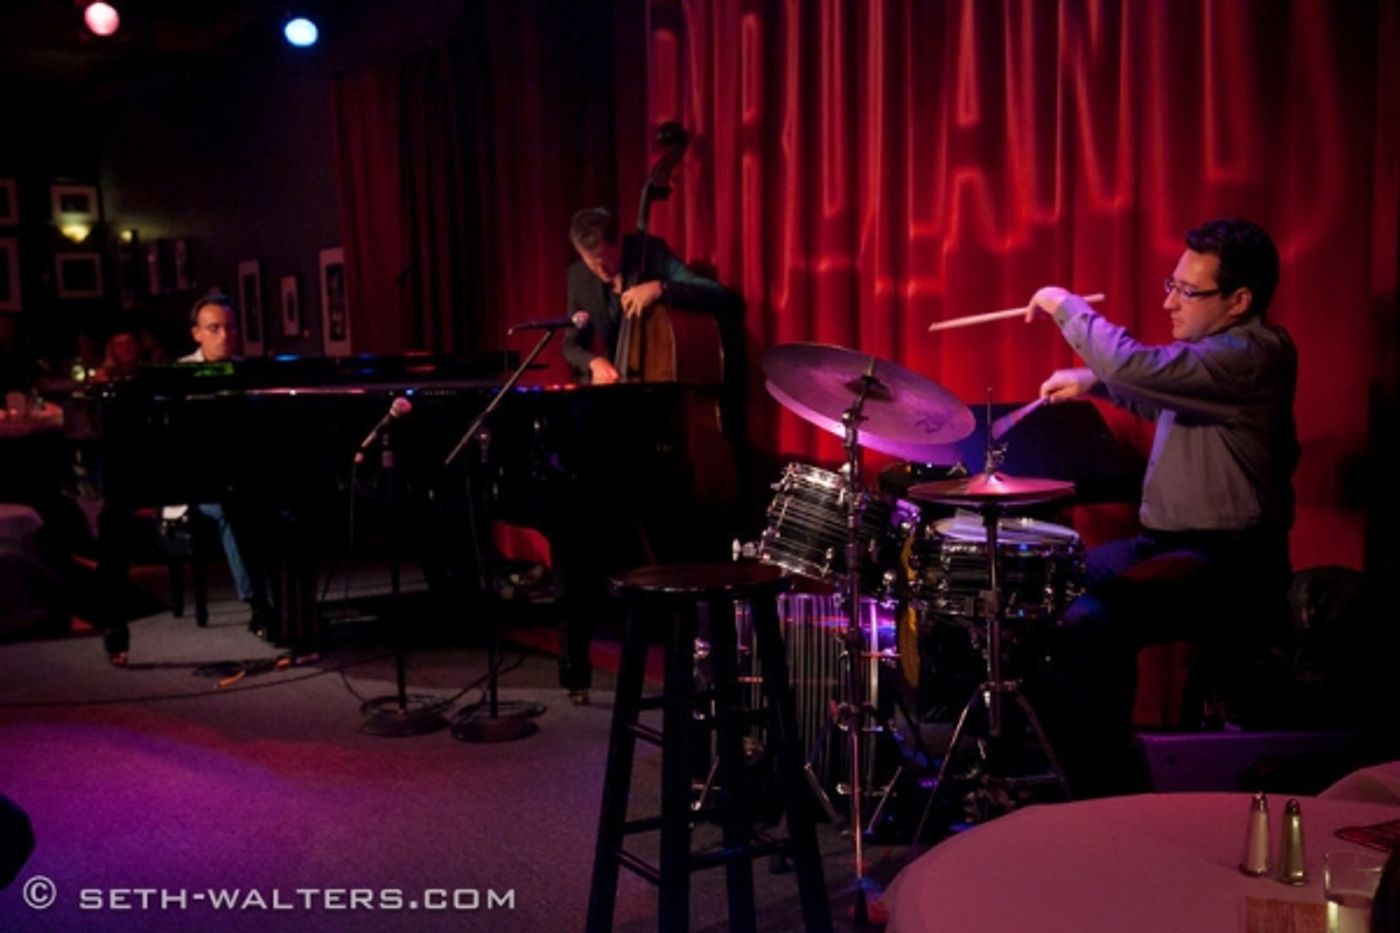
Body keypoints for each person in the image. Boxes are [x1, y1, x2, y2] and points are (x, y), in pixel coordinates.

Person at [1022, 217, 1298, 796]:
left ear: (1239, 300)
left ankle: (1103, 790)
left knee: (1090, 622)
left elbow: (1133, 366)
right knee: (1043, 589)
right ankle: (1062, 763)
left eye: (1187, 291)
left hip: (1229, 561)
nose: (1169, 302)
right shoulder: (1213, 359)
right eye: (1170, 284)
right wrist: (1095, 385)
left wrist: (1063, 304)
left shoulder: (1253, 353)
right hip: (1168, 544)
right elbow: (1169, 401)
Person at [551, 207, 733, 702]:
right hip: (616, 414)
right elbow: (571, 343)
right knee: (582, 526)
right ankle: (580, 658)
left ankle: (697, 643)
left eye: (606, 261)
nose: (601, 272)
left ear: (618, 244)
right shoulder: (578, 278)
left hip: (665, 421)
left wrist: (663, 289)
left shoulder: (650, 254)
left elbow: (718, 295)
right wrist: (594, 360)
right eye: (591, 265)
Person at [168, 291, 271, 641]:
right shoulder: (177, 376)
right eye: (214, 328)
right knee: (231, 506)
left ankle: (294, 599)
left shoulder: (248, 373)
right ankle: (258, 603)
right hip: (194, 480)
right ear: (196, 333)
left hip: (244, 473)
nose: (224, 336)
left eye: (229, 328)